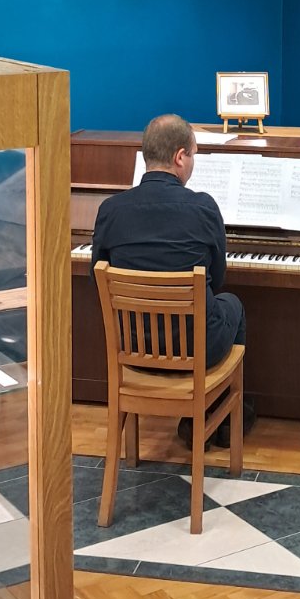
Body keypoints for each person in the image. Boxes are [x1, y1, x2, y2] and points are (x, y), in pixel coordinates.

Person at [91, 114, 249, 448]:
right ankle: (211, 419)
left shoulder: (110, 210)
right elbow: (218, 279)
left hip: (133, 347)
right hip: (196, 347)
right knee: (232, 304)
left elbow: (98, 274)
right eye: (193, 155)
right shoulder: (202, 208)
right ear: (180, 157)